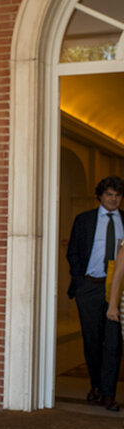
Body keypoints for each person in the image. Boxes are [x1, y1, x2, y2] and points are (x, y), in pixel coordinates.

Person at [67, 175, 124, 412]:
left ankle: (109, 394)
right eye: (109, 194)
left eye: (118, 195)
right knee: (91, 341)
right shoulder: (84, 220)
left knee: (113, 343)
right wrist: (80, 283)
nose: (114, 199)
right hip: (89, 287)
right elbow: (73, 253)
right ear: (100, 196)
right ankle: (96, 386)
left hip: (117, 290)